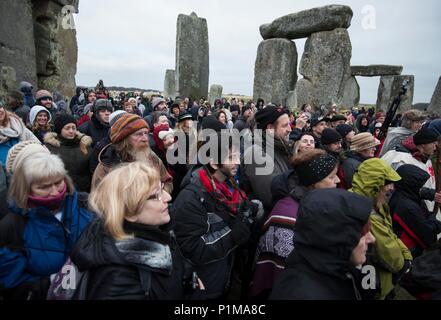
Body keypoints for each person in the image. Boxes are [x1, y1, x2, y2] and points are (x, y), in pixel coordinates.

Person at [70, 162, 199, 300]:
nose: (168, 197)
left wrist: (187, 279)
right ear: (130, 213)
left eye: (162, 188)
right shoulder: (117, 279)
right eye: (156, 195)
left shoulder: (153, 229)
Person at [0, 142, 93, 300]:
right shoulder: (13, 226)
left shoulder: (87, 206)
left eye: (58, 183)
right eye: (44, 187)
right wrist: (56, 284)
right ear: (25, 188)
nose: (54, 192)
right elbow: (12, 284)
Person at [173, 132, 258, 299]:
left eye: (238, 156)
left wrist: (250, 211)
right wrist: (234, 234)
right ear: (213, 162)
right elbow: (193, 249)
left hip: (225, 275)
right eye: (231, 157)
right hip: (205, 286)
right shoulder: (190, 198)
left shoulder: (229, 184)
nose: (238, 162)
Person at [251, 150, 340, 298]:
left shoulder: (320, 204)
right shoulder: (287, 214)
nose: (337, 180)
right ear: (314, 183)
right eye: (331, 177)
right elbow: (282, 269)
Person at [270, 188, 376, 300]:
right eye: (362, 233)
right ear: (335, 237)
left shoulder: (340, 262)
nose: (372, 239)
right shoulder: (299, 294)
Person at [350, 158, 413, 299]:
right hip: (375, 278)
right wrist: (405, 262)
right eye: (387, 183)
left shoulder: (377, 202)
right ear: (374, 183)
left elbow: (390, 234)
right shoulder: (366, 212)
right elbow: (387, 249)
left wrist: (406, 255)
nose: (391, 187)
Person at [91, 113, 172, 193]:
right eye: (139, 134)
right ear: (124, 139)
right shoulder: (107, 165)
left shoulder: (151, 156)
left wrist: (159, 195)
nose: (145, 139)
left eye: (146, 133)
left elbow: (167, 181)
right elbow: (100, 201)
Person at [242, 105, 293, 212]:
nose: (290, 129)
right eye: (284, 125)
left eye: (289, 124)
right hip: (270, 218)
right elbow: (271, 196)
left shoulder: (280, 148)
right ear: (270, 128)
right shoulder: (256, 154)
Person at [389, 164, 441, 258]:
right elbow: (427, 234)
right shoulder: (407, 207)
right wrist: (434, 220)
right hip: (410, 254)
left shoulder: (402, 194)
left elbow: (417, 200)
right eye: (418, 185)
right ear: (411, 185)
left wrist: (428, 194)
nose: (421, 188)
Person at [382, 128, 438, 212]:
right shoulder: (402, 160)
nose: (435, 147)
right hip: (404, 210)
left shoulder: (424, 158)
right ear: (423, 144)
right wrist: (425, 193)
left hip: (421, 205)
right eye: (433, 143)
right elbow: (397, 187)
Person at [44, 114, 93, 192]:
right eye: (67, 128)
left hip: (84, 190)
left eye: (73, 128)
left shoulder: (84, 145)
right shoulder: (50, 148)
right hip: (61, 191)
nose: (71, 131)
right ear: (59, 130)